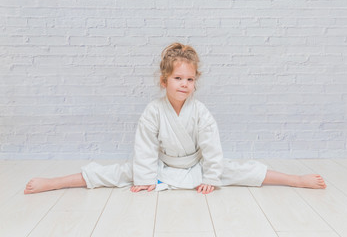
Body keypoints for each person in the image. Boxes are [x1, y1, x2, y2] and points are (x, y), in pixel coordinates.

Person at [24, 43, 326, 195]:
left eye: (190, 79)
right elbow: (144, 148)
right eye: (178, 78)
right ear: (164, 80)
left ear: (196, 82)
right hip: (162, 168)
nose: (184, 84)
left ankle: (294, 179)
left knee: (236, 170)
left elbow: (212, 149)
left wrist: (210, 177)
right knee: (119, 172)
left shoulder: (201, 112)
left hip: (196, 166)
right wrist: (144, 179)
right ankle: (56, 182)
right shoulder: (153, 111)